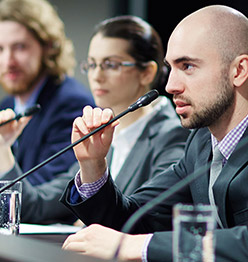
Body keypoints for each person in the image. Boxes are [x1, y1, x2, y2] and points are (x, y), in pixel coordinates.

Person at [59, 5, 248, 261]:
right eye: (170, 68)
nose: (171, 85)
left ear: (238, 71)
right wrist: (93, 166)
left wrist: (135, 245)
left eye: (188, 66)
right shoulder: (201, 142)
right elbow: (133, 219)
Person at [0, 15, 190, 224]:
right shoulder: (106, 135)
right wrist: (2, 147)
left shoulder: (174, 137)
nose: (96, 76)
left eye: (110, 65)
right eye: (91, 65)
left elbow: (145, 219)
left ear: (147, 72)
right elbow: (35, 207)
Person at [0, 0, 94, 185]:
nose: (8, 61)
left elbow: (40, 192)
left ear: (48, 47)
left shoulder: (71, 104)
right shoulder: (7, 105)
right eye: (0, 49)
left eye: (20, 47)